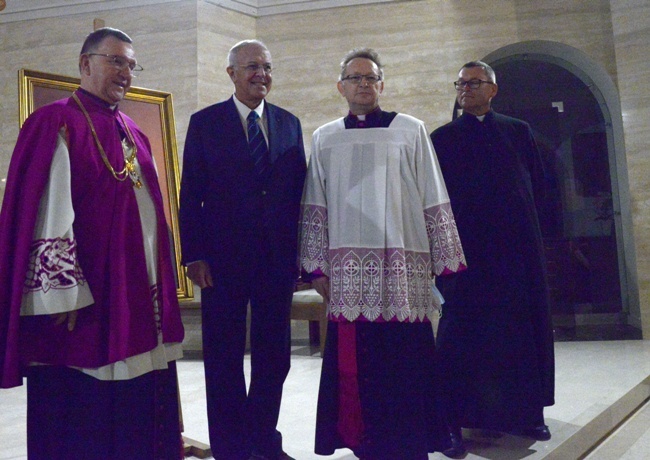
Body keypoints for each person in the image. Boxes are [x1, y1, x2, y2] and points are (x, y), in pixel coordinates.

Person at [0, 27, 185, 459]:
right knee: (86, 413)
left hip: (137, 290)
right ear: (85, 64)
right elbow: (48, 210)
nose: (125, 72)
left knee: (134, 401)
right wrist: (60, 296)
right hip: (86, 301)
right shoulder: (56, 121)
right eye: (115, 61)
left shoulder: (132, 130)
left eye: (130, 64)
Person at [300, 48, 466, 460]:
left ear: (382, 85)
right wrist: (315, 265)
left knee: (405, 358)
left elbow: (433, 191)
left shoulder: (410, 130)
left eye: (370, 78)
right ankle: (362, 439)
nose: (363, 84)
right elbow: (315, 202)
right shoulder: (324, 136)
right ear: (341, 86)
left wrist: (443, 256)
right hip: (349, 274)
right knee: (357, 364)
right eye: (354, 78)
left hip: (401, 267)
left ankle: (411, 438)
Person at [179, 40, 306, 460]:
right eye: (252, 67)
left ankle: (263, 441)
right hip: (221, 262)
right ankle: (232, 448)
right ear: (231, 73)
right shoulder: (205, 123)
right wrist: (193, 255)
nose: (261, 75)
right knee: (224, 359)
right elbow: (190, 193)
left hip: (277, 261)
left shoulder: (289, 123)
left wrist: (304, 256)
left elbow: (298, 195)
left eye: (267, 67)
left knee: (275, 359)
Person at [430, 60, 555, 457]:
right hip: (466, 257)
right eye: (461, 83)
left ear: (493, 90)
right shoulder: (442, 138)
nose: (465, 89)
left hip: (517, 254)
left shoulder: (518, 132)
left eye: (474, 82)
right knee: (460, 336)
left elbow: (537, 186)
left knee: (521, 332)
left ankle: (526, 414)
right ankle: (454, 420)